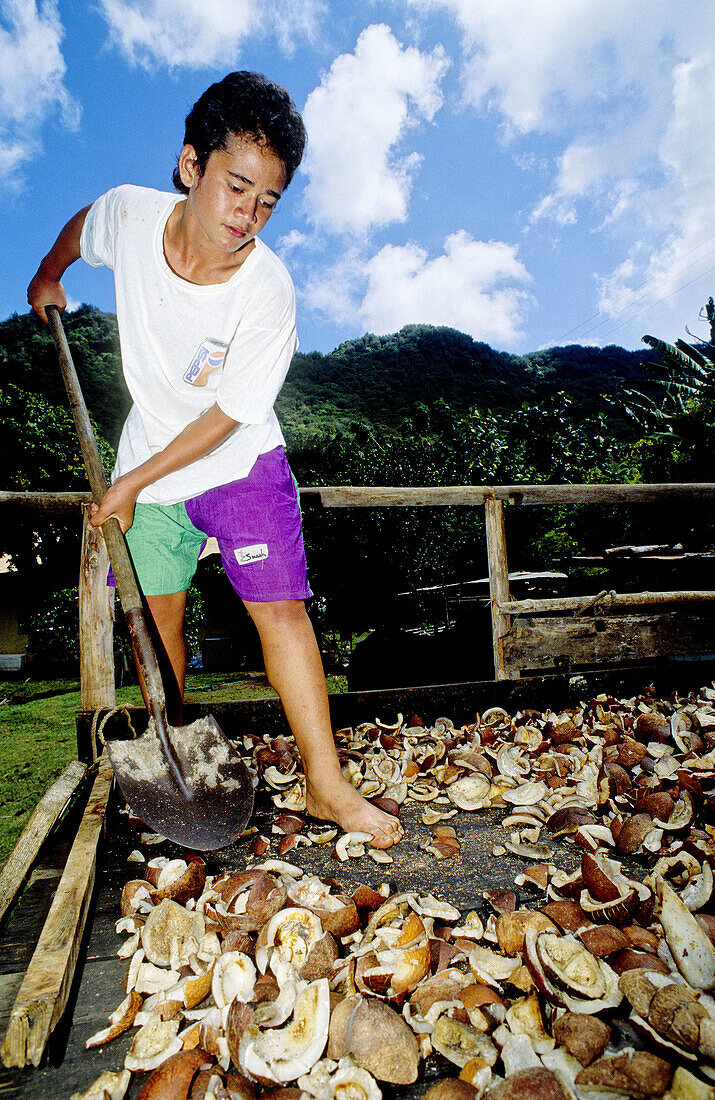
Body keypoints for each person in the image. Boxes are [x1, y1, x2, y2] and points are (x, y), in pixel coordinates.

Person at [27, 70, 403, 849]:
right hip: (150, 461)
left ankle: (328, 786)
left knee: (280, 612)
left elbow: (230, 413)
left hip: (239, 462)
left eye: (268, 201)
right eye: (237, 187)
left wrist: (128, 483)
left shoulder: (268, 290)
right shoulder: (129, 216)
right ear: (190, 165)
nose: (248, 215)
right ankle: (174, 760)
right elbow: (79, 229)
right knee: (156, 615)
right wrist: (49, 272)